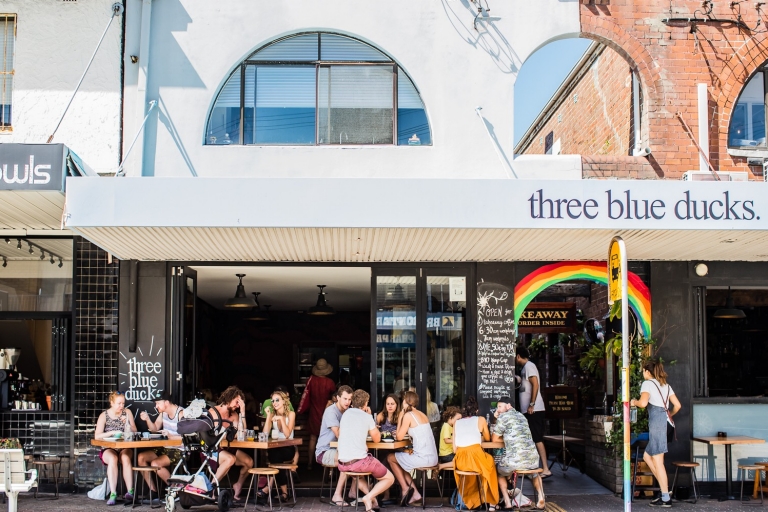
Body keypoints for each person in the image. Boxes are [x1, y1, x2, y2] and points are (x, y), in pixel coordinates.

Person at [631, 359, 681, 508]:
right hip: (666, 422)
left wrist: (634, 402)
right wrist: (668, 415)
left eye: (643, 370)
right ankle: (664, 491)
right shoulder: (666, 385)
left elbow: (643, 403)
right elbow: (677, 405)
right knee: (647, 456)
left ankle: (666, 497)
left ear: (647, 371)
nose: (642, 373)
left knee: (658, 461)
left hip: (658, 423)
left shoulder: (647, 384)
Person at [337, 389, 395, 511]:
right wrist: (369, 418)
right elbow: (377, 439)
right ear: (365, 403)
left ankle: (371, 500)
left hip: (343, 464)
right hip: (359, 462)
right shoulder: (366, 417)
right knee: (390, 478)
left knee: (357, 476)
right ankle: (369, 497)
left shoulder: (345, 414)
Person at [492, 396, 546, 510]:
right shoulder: (522, 416)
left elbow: (494, 439)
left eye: (500, 407)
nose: (498, 410)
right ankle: (541, 498)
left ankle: (507, 502)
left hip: (515, 461)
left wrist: (497, 419)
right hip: (532, 459)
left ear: (508, 406)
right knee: (534, 473)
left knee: (499, 471)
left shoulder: (503, 417)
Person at [387, 391, 438, 507]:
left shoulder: (408, 416)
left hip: (423, 458)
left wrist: (400, 417)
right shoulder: (422, 414)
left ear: (406, 402)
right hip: (432, 457)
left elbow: (399, 437)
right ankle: (415, 493)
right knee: (401, 461)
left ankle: (405, 489)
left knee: (391, 458)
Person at [452, 397, 499, 512]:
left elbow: (454, 449)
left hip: (461, 461)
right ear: (477, 410)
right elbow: (488, 439)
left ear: (464, 410)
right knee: (490, 464)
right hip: (476, 457)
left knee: (475, 472)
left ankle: (475, 500)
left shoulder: (456, 423)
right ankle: (492, 502)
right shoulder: (481, 419)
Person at [208, 386, 253, 501]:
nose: (238, 405)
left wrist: (242, 411)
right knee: (230, 459)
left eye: (240, 403)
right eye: (237, 402)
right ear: (229, 397)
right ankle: (211, 488)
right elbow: (210, 435)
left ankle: (238, 485)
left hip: (227, 447)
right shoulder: (213, 412)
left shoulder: (234, 415)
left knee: (248, 462)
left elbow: (241, 433)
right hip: (212, 449)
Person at [94, 391, 138, 506]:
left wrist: (127, 423)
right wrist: (111, 433)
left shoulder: (127, 412)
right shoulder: (104, 415)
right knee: (113, 459)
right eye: (119, 403)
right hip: (109, 447)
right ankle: (113, 493)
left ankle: (130, 492)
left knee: (125, 457)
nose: (121, 406)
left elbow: (135, 432)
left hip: (125, 446)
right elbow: (97, 436)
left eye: (123, 403)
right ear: (112, 402)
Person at [315, 384, 355, 506]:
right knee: (347, 460)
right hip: (324, 451)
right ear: (337, 398)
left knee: (359, 459)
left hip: (340, 450)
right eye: (345, 399)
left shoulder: (349, 411)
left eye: (349, 399)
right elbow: (339, 434)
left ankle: (353, 492)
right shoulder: (330, 411)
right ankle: (337, 495)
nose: (347, 402)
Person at [137, 392, 184, 494]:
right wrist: (147, 419)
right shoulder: (163, 413)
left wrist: (170, 436)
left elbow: (186, 438)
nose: (156, 406)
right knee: (141, 457)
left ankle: (176, 490)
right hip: (166, 448)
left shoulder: (181, 414)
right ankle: (153, 491)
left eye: (158, 403)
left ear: (166, 402)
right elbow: (155, 428)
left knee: (155, 463)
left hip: (179, 449)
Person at [515, 347, 551, 477]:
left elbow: (535, 384)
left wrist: (531, 404)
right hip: (529, 410)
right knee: (531, 438)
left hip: (534, 410)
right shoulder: (525, 368)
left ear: (518, 356)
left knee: (537, 438)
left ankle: (545, 468)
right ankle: (531, 467)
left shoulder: (529, 366)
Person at [298, 359, 338, 470]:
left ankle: (310, 463)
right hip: (327, 411)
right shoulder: (330, 382)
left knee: (312, 438)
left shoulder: (311, 380)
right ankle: (328, 466)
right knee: (331, 439)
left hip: (314, 412)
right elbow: (334, 397)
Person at [261, 390, 296, 502]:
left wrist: (281, 419)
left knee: (274, 456)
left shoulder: (291, 414)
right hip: (276, 448)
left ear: (283, 401)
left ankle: (268, 487)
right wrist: (268, 417)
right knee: (274, 455)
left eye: (277, 400)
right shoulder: (273, 415)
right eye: (273, 401)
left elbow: (287, 434)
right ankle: (284, 492)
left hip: (288, 448)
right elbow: (265, 433)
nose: (274, 403)